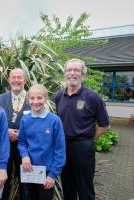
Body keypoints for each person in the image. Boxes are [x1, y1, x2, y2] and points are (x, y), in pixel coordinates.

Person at [55, 59, 110, 200]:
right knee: (68, 188)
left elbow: (104, 125)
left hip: (83, 148)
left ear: (82, 74)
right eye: (69, 70)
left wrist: (88, 139)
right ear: (65, 74)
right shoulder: (59, 96)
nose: (72, 73)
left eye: (76, 70)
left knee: (85, 189)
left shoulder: (92, 97)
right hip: (64, 148)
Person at [18, 84, 66, 200]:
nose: (35, 102)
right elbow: (21, 142)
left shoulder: (54, 121)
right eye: (32, 98)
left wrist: (53, 175)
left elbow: (60, 151)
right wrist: (24, 156)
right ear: (28, 99)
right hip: (29, 170)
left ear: (46, 99)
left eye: (39, 98)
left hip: (47, 172)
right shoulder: (25, 120)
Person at [0, 68, 31, 200]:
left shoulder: (33, 98)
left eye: (19, 77)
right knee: (2, 182)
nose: (16, 80)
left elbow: (38, 122)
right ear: (9, 80)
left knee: (26, 184)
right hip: (3, 148)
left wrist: (21, 134)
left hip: (26, 150)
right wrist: (5, 132)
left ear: (24, 80)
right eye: (13, 77)